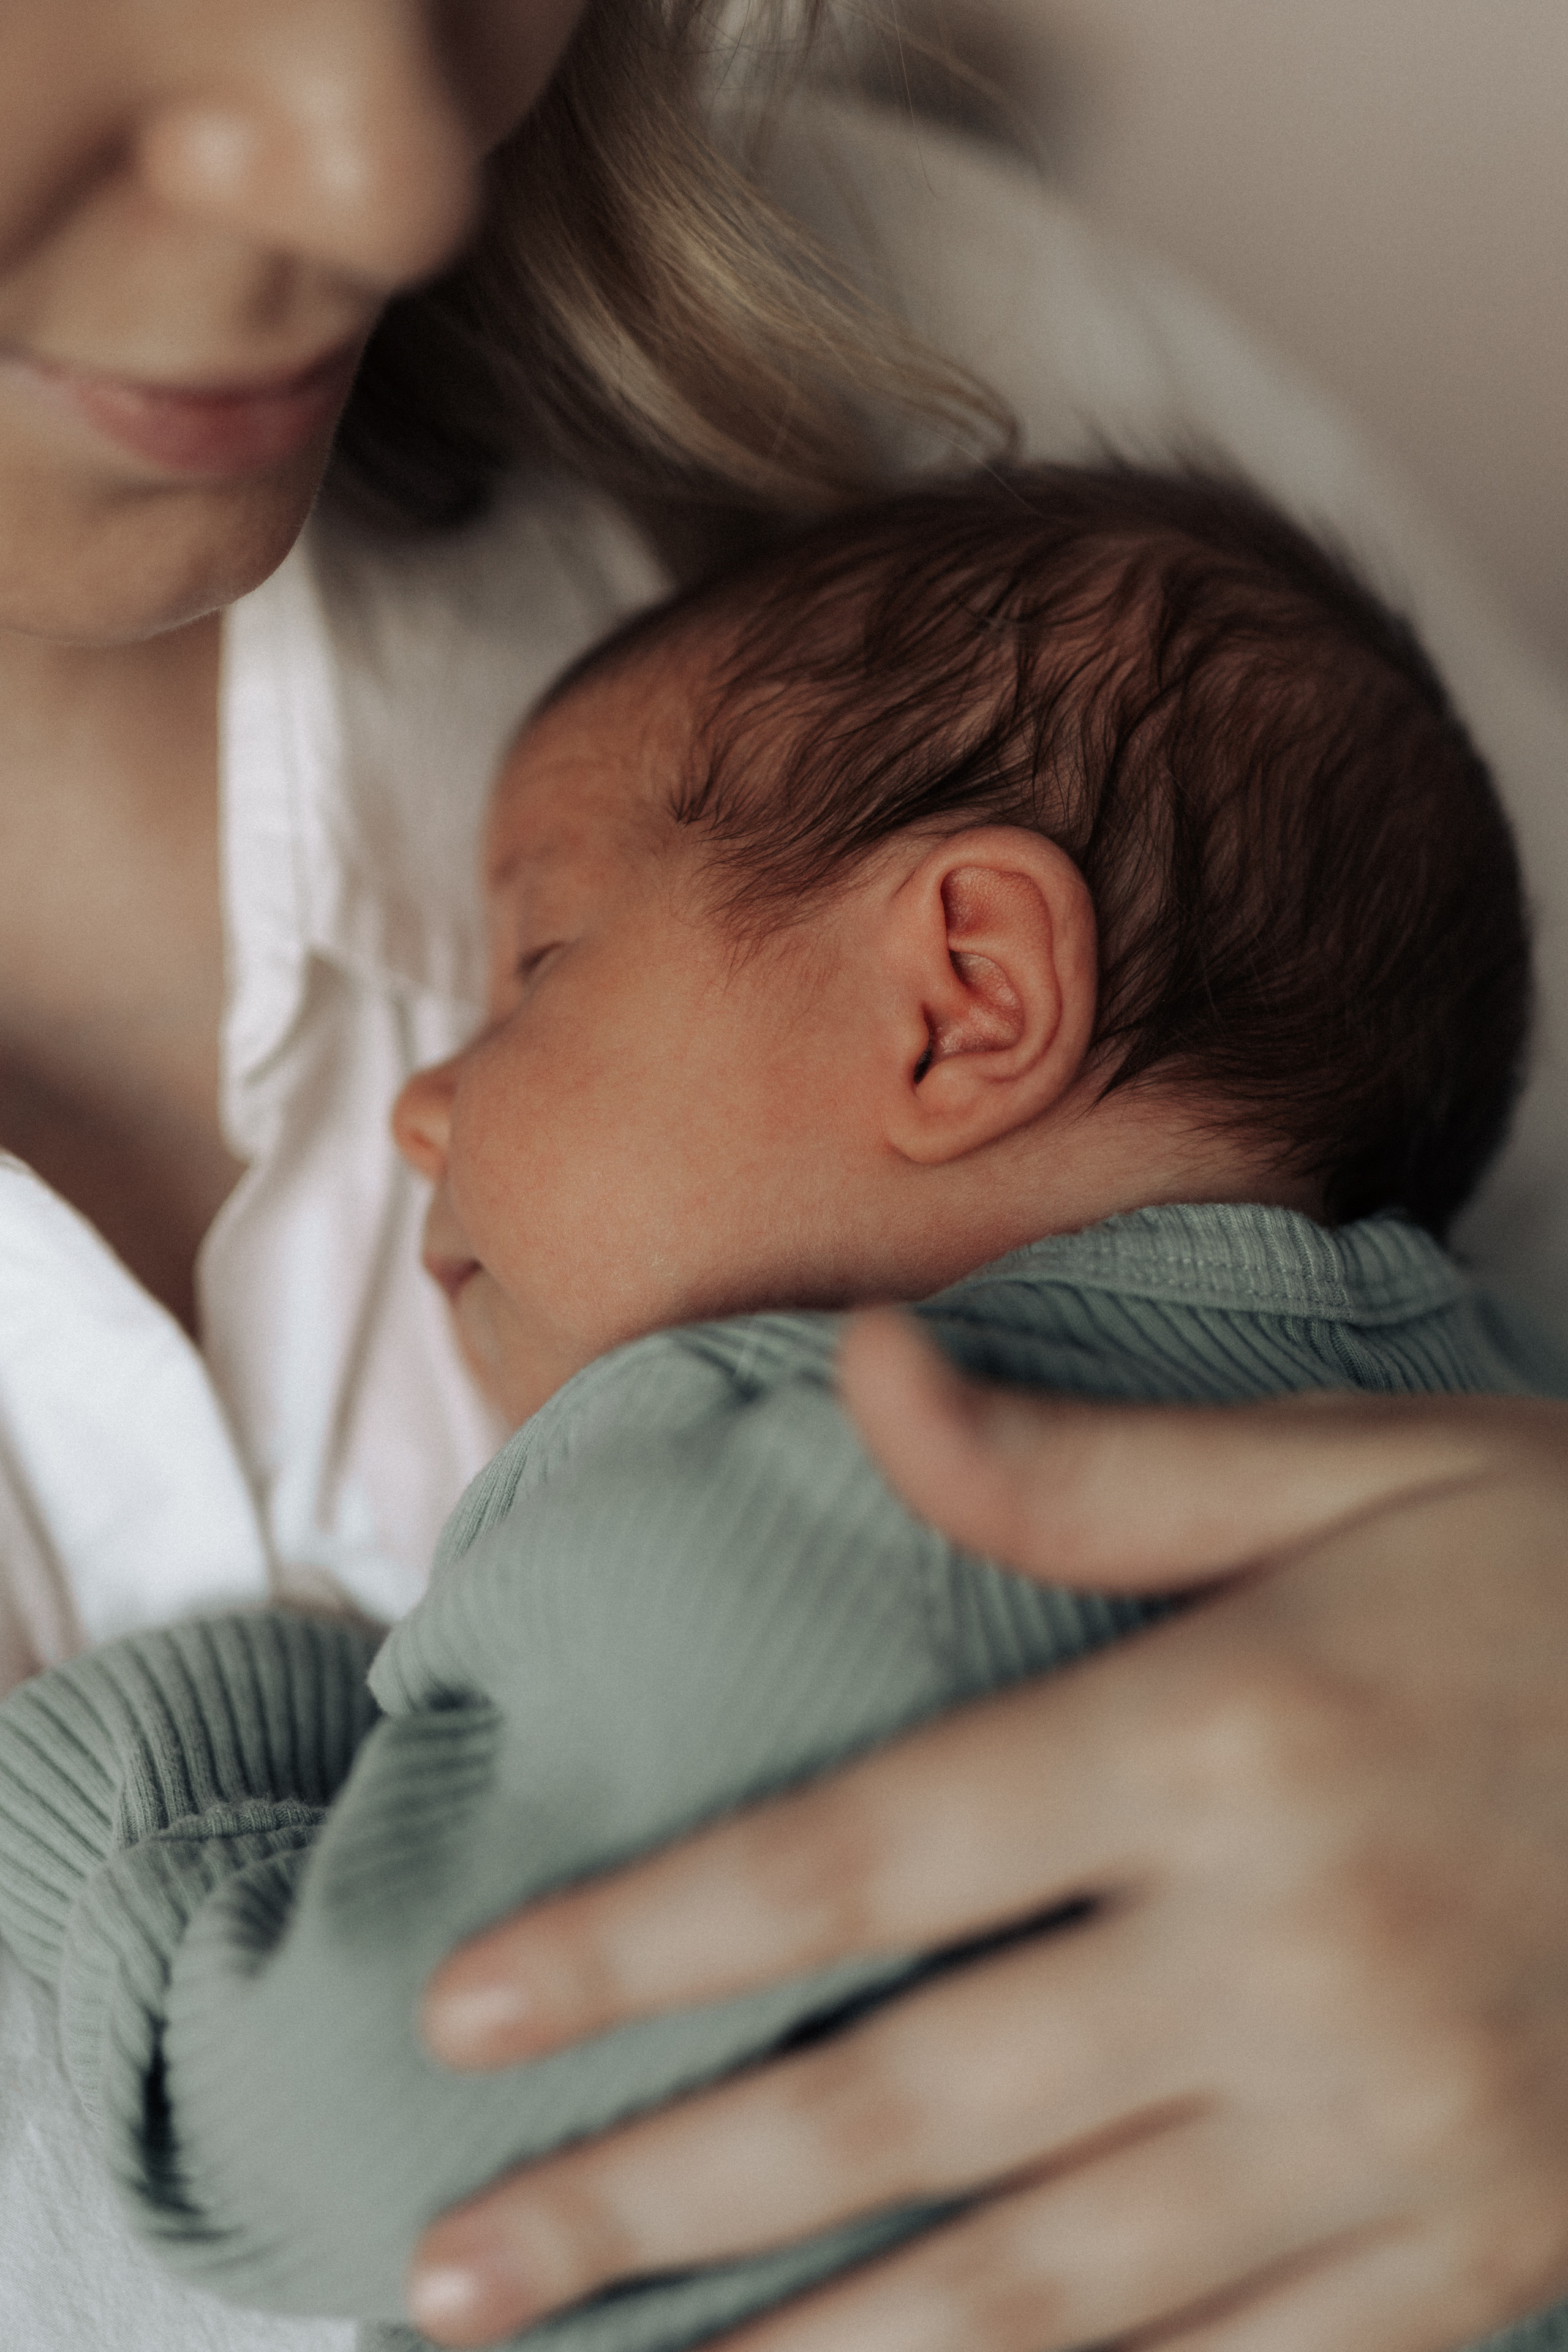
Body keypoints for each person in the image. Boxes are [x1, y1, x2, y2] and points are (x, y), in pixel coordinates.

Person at [3, 7, 1568, 2351]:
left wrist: (147, 1756)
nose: (392, 181)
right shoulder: (1442, 1345)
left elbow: (356, 2139)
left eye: (530, 970)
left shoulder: (930, 379)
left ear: (956, 1002)